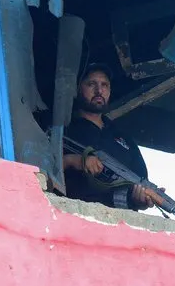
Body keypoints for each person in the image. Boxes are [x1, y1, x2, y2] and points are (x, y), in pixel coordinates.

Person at [63, 63, 155, 211]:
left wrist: (141, 199)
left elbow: (139, 184)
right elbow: (37, 170)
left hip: (120, 225)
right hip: (73, 217)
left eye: (104, 85)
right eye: (91, 84)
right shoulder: (65, 129)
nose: (99, 91)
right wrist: (73, 160)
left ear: (110, 91)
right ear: (78, 88)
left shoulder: (123, 138)